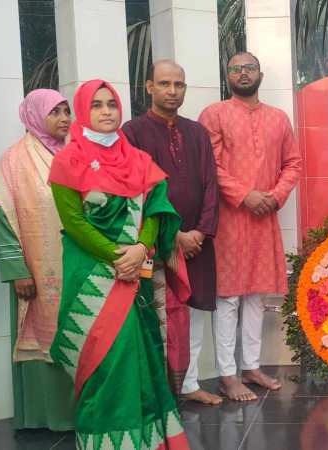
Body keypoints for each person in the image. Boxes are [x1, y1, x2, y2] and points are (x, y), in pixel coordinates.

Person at [48, 79, 189, 448]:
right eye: (96, 105)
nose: (106, 111)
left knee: (144, 355)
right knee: (108, 360)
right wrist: (120, 257)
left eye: (111, 103)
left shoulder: (139, 160)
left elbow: (156, 209)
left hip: (135, 273)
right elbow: (74, 223)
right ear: (83, 111)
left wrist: (141, 248)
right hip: (93, 280)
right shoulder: (67, 161)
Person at [198, 52, 301, 401]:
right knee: (228, 297)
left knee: (256, 295)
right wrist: (245, 196)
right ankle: (227, 375)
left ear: (260, 75)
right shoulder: (214, 114)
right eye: (236, 69)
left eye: (250, 68)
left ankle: (251, 367)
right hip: (228, 219)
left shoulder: (278, 118)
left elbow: (293, 163)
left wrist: (275, 195)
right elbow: (209, 166)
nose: (243, 73)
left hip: (264, 218)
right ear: (227, 77)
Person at [122, 60, 222, 405]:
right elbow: (137, 189)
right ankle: (159, 389)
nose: (172, 91)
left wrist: (201, 233)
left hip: (197, 243)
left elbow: (211, 185)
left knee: (193, 310)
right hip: (157, 242)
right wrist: (175, 234)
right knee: (159, 312)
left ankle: (189, 384)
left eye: (178, 85)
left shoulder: (197, 132)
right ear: (149, 87)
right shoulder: (132, 132)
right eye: (164, 84)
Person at [0, 89, 77, 431]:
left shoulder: (77, 153)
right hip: (36, 272)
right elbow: (2, 218)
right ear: (35, 115)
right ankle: (45, 417)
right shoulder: (13, 160)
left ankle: (84, 414)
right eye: (55, 112)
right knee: (43, 338)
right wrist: (17, 271)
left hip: (79, 265)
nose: (65, 118)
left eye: (67, 111)